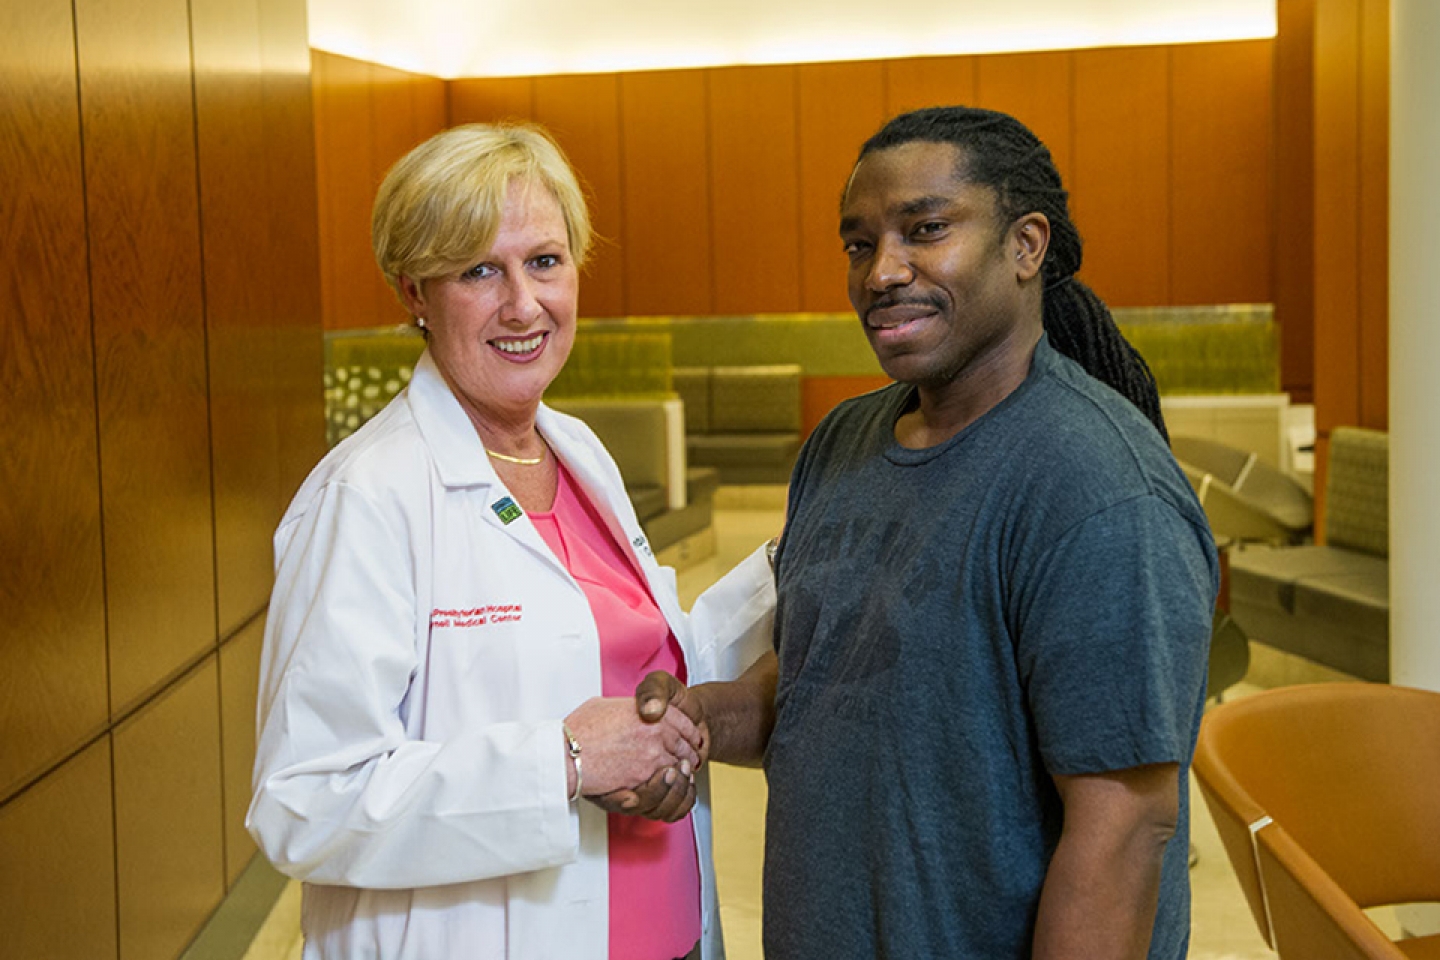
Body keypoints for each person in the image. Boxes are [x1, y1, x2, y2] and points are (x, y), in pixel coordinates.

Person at [635, 105, 1218, 959]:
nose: (882, 273)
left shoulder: (1098, 489)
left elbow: (1125, 827)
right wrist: (696, 720)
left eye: (927, 230)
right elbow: (824, 682)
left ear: (1026, 246)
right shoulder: (842, 443)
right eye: (859, 243)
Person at [247, 123, 777, 960]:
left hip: (665, 930)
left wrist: (803, 560)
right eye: (478, 270)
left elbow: (638, 662)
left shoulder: (578, 452)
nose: (524, 305)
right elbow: (306, 801)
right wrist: (563, 761)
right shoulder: (367, 495)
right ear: (414, 292)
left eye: (544, 262)